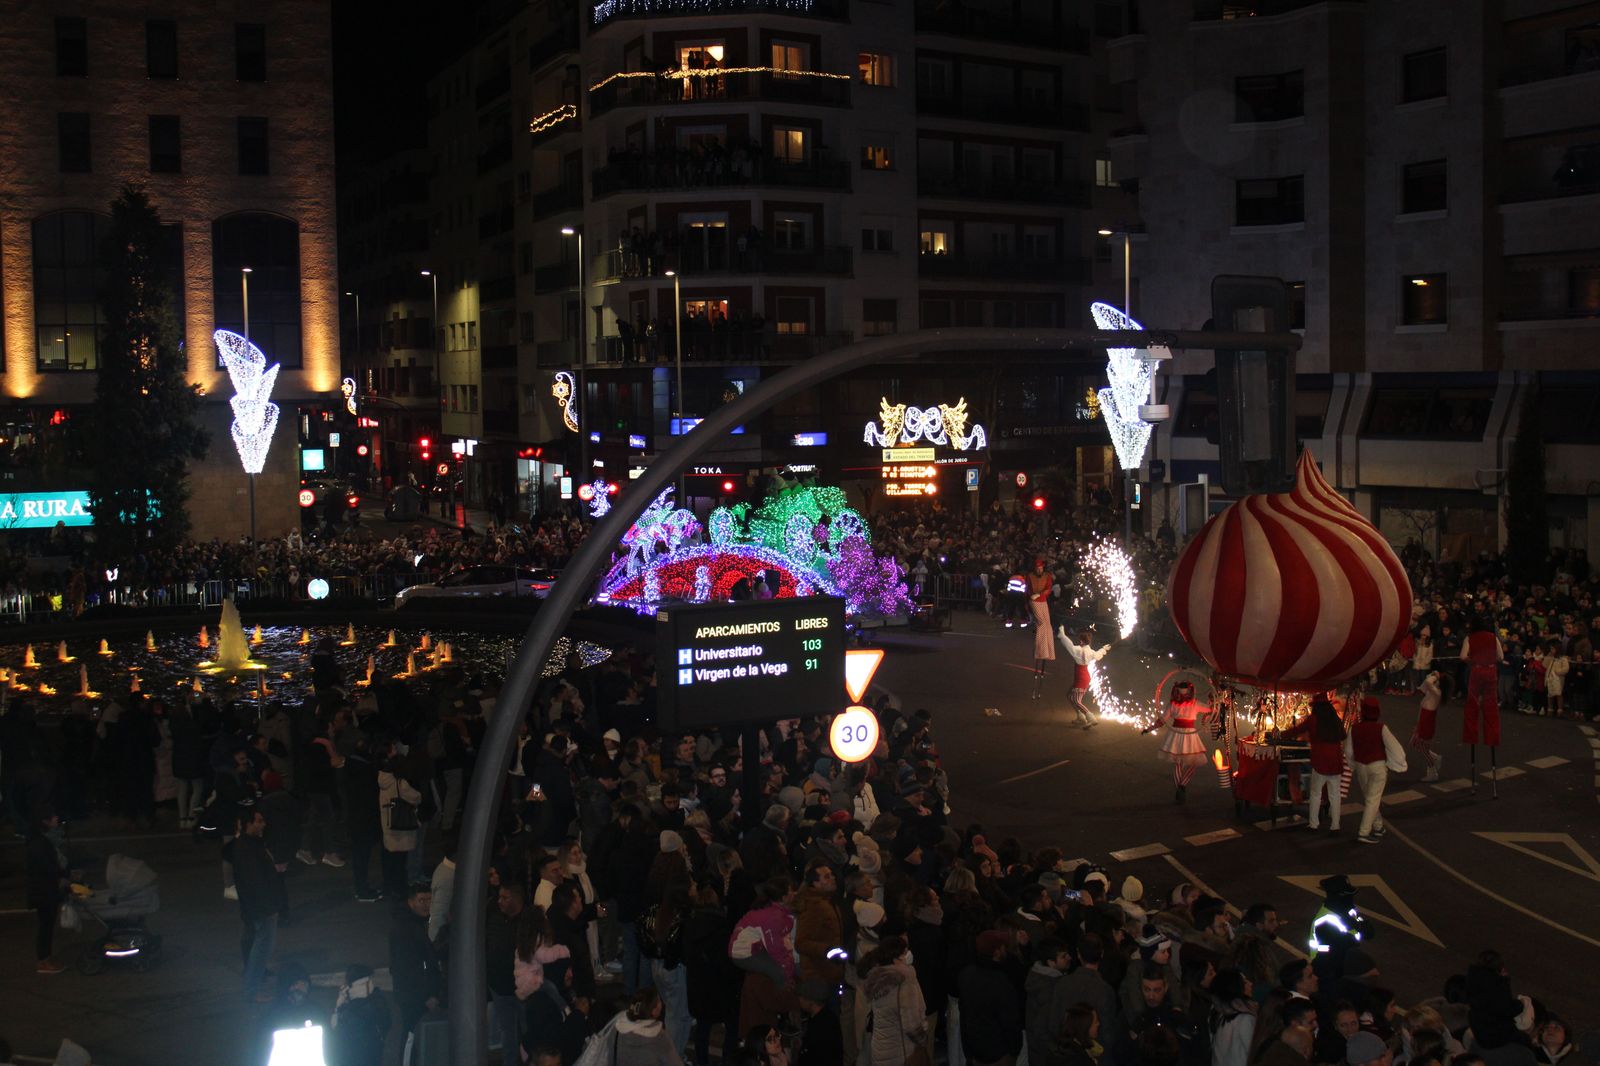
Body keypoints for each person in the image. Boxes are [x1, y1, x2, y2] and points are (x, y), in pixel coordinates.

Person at [234, 808, 286, 1002]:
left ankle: (253, 985)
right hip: (262, 909)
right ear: (248, 824)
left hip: (254, 908)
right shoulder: (249, 849)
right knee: (261, 950)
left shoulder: (247, 845)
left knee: (254, 947)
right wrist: (270, 908)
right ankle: (252, 990)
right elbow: (256, 882)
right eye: (259, 821)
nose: (263, 824)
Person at [1343, 697, 1406, 845]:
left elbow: (1348, 751)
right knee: (1373, 799)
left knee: (1370, 798)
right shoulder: (1381, 728)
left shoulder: (1354, 728)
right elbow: (1395, 749)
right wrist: (1397, 763)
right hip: (1377, 766)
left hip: (1361, 766)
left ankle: (1378, 826)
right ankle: (1364, 832)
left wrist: (1352, 765)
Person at [860, 934, 928, 1065]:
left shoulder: (877, 978)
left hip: (880, 1048)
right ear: (896, 959)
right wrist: (923, 1038)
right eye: (905, 952)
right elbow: (911, 1025)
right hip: (901, 1052)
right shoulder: (904, 982)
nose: (908, 954)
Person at [389, 882, 443, 1043]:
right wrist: (427, 996)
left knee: (412, 1035)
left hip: (410, 995)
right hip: (414, 996)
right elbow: (407, 969)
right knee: (412, 1036)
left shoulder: (410, 924)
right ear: (410, 902)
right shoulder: (407, 929)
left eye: (429, 900)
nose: (426, 905)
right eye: (421, 900)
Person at [960, 929, 1023, 1066]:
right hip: (999, 1054)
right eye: (1003, 947)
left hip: (975, 1050)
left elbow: (964, 1015)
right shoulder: (1001, 982)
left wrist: (968, 1052)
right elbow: (1010, 1021)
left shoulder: (967, 974)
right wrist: (1014, 1050)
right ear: (997, 951)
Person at [1157, 681, 1214, 802]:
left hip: (1178, 733)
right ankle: (1182, 786)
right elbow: (1209, 709)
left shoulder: (1173, 704)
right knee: (1190, 762)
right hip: (1187, 734)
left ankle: (1180, 787)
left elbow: (1163, 719)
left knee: (1180, 762)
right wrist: (1215, 702)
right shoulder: (1194, 703)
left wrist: (1152, 727)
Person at [328, 963, 391, 1066]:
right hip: (363, 1056)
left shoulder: (346, 1002)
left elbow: (335, 1029)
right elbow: (386, 1023)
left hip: (360, 1056)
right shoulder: (374, 1000)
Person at [1057, 627, 1112, 728]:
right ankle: (1080, 716)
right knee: (1070, 696)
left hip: (1081, 679)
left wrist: (1062, 634)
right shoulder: (1090, 651)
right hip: (1084, 677)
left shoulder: (1078, 650)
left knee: (1076, 701)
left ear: (1081, 641)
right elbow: (1098, 655)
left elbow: (1069, 645)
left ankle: (1091, 718)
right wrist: (1104, 649)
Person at [613, 988, 684, 1065]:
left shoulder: (618, 1030)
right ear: (654, 1011)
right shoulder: (660, 1036)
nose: (662, 1003)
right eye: (659, 1001)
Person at [1029, 559, 1057, 697]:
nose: (1039, 570)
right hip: (1034, 601)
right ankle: (1040, 648)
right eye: (1037, 568)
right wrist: (1031, 597)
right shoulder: (1030, 576)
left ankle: (1048, 649)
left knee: (1048, 625)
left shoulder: (1047, 576)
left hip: (1042, 600)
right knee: (1042, 623)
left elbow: (1048, 589)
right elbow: (1028, 590)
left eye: (1040, 568)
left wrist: (1040, 594)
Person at [1412, 671, 1444, 783]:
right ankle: (1435, 758)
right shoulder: (1433, 691)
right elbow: (1425, 684)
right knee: (1416, 744)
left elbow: (1427, 681)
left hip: (1427, 722)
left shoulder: (1436, 693)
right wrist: (1434, 674)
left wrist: (1435, 675)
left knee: (1422, 747)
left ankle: (1432, 771)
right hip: (1423, 720)